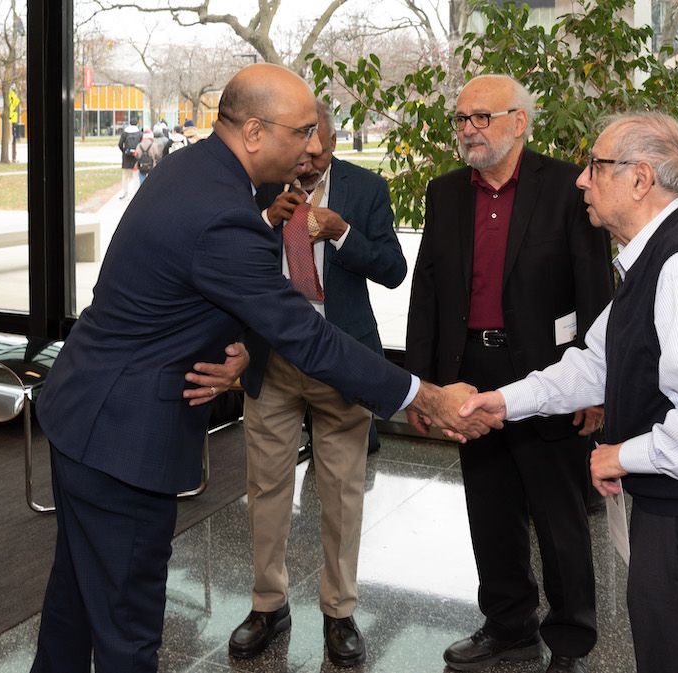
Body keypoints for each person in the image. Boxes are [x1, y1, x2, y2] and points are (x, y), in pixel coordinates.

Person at [29, 63, 499, 673]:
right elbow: (305, 334)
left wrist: (233, 347)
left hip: (84, 412)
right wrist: (423, 396)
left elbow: (194, 291)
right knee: (126, 627)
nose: (314, 145)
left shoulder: (192, 167)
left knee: (74, 606)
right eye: (302, 131)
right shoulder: (225, 214)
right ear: (253, 132)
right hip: (122, 439)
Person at [460, 112, 678, 673]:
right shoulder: (652, 259)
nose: (582, 180)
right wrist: (506, 401)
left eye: (596, 167)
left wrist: (623, 455)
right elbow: (595, 363)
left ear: (639, 179)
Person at [405, 74, 613, 673]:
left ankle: (571, 639)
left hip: (551, 375)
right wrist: (423, 384)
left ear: (519, 122)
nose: (468, 128)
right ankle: (508, 625)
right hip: (470, 373)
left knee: (559, 516)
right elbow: (428, 292)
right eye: (461, 118)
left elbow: (595, 289)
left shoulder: (568, 189)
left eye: (481, 117)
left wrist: (594, 386)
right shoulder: (444, 192)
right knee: (489, 509)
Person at [228, 101, 408, 666]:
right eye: (303, 149)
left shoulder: (365, 187)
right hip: (274, 360)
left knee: (342, 492)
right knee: (267, 488)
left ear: (330, 139)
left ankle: (339, 611)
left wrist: (343, 233)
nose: (310, 161)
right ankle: (267, 604)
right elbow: (226, 260)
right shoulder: (260, 185)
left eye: (320, 149)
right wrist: (267, 224)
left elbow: (394, 268)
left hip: (342, 361)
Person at [117, 116, 142, 199]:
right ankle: (135, 193)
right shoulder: (139, 133)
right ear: (137, 123)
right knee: (135, 176)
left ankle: (125, 192)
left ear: (129, 123)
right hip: (136, 156)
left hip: (126, 157)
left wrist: (124, 151)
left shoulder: (125, 132)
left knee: (125, 176)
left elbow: (120, 144)